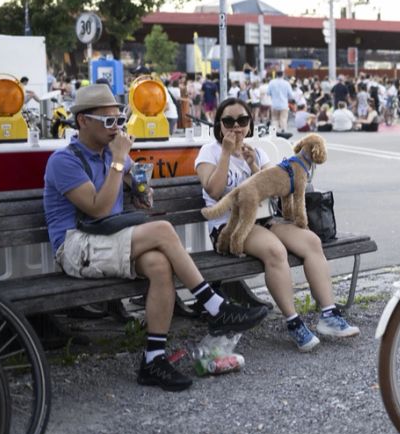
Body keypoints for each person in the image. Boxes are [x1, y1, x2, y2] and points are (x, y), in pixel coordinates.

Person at [44, 85, 268, 391]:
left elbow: (137, 191)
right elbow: (97, 209)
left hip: (109, 238)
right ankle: (215, 306)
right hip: (75, 247)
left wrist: (142, 193)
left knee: (160, 264)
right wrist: (119, 160)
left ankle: (153, 358)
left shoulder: (111, 155)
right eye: (108, 122)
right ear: (83, 121)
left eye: (119, 120)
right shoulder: (64, 161)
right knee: (162, 229)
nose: (117, 128)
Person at [196, 98, 359, 353]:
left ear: (250, 124)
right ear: (219, 125)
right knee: (275, 251)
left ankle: (329, 315)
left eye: (242, 120)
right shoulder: (210, 151)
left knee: (311, 242)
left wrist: (252, 165)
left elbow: (277, 189)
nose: (236, 127)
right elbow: (215, 191)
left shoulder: (258, 151)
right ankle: (293, 322)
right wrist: (227, 152)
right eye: (228, 121)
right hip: (230, 228)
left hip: (265, 220)